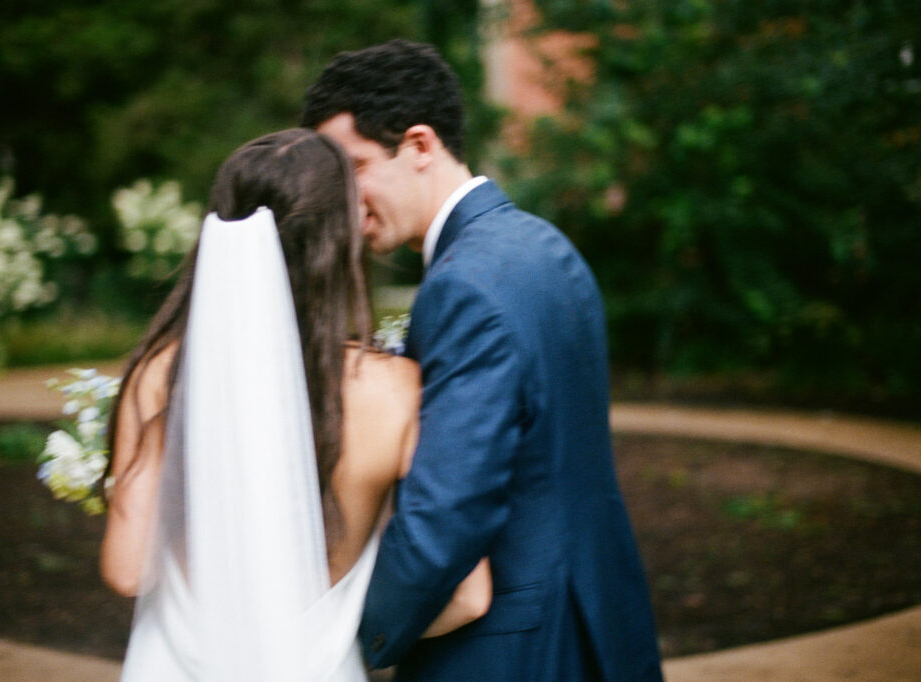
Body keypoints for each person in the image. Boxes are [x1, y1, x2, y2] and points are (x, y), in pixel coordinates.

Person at [302, 40, 664, 680]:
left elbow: (445, 518)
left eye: (352, 167)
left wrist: (344, 641)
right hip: (592, 620)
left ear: (419, 145)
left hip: (508, 651)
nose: (341, 199)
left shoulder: (462, 286)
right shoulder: (544, 246)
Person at [100, 128, 492, 680]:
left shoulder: (161, 374)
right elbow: (468, 598)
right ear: (340, 240)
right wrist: (336, 634)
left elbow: (126, 571)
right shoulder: (398, 390)